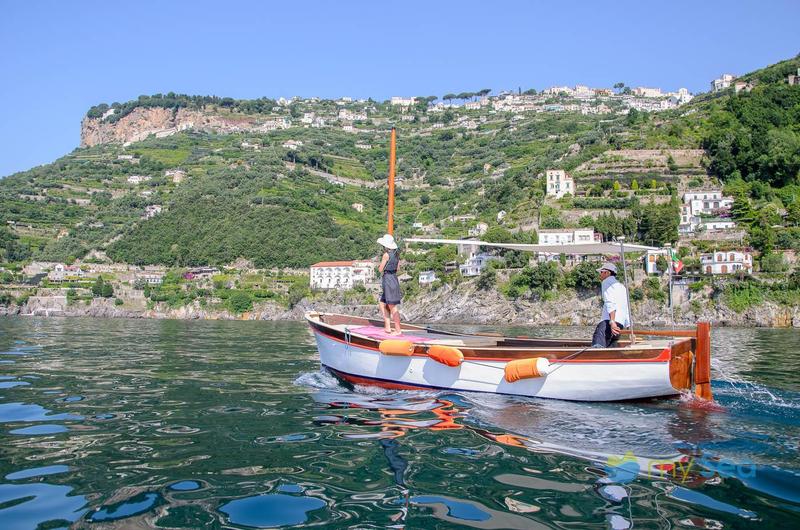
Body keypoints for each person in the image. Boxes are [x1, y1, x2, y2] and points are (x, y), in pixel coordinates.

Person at [591, 262, 630, 348]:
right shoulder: (622, 287)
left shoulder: (606, 282)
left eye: (601, 272)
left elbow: (610, 302)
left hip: (609, 322)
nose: (600, 275)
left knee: (597, 348)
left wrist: (612, 322)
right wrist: (628, 327)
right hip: (620, 324)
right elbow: (626, 307)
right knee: (610, 349)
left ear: (607, 273)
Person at [377, 233, 403, 335]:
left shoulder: (386, 255)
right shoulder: (397, 255)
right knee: (382, 303)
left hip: (388, 279)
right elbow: (398, 268)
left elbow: (380, 269)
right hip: (393, 278)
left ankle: (398, 330)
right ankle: (387, 326)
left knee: (392, 306)